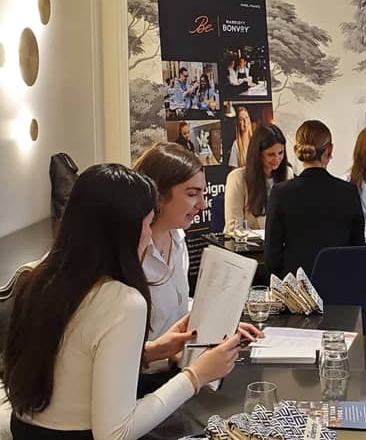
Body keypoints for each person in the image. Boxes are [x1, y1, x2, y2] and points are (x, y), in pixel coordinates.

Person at [3, 164, 242, 440]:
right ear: (124, 231)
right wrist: (196, 375)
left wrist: (149, 352)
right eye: (147, 224)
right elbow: (115, 433)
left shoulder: (40, 280)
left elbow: (72, 361)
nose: (149, 235)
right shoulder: (123, 301)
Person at [133, 143, 262, 393]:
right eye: (192, 194)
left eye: (203, 193)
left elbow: (178, 312)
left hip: (178, 376)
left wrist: (218, 323)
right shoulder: (129, 255)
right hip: (142, 387)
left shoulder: (178, 240)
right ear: (158, 195)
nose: (202, 205)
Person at [264, 120, 365, 277]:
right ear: (329, 150)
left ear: (296, 150)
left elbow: (272, 257)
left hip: (296, 287)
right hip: (339, 284)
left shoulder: (280, 193)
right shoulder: (349, 192)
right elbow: (359, 250)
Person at [224, 123, 294, 232]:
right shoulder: (237, 178)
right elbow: (233, 229)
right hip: (250, 242)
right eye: (271, 154)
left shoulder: (288, 173)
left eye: (281, 153)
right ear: (258, 154)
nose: (277, 159)